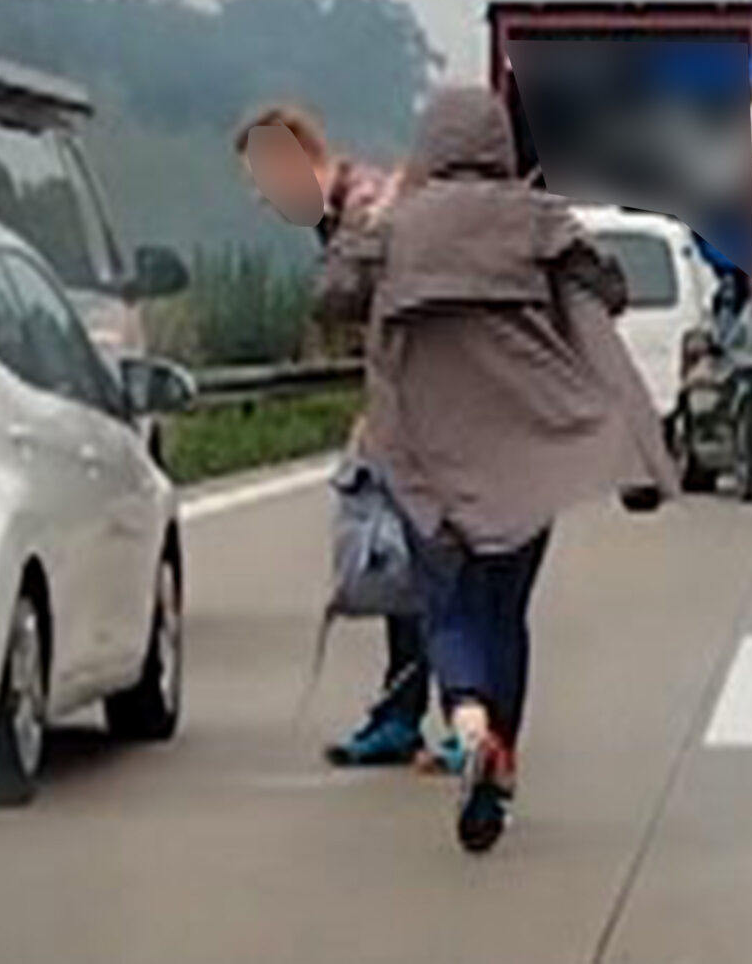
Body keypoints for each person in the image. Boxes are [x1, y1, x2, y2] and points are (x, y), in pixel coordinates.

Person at [316, 85, 675, 853]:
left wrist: (378, 226)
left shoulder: (399, 229)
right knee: (505, 611)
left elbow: (333, 297)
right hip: (521, 453)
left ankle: (469, 722)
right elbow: (607, 288)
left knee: (447, 609)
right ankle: (500, 756)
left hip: (421, 461)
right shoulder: (538, 219)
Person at [232, 105, 458, 775]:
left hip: (432, 415)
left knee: (434, 568)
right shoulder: (346, 212)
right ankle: (403, 713)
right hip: (404, 411)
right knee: (398, 566)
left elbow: (372, 308)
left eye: (262, 178)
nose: (261, 197)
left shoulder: (364, 210)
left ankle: (463, 714)